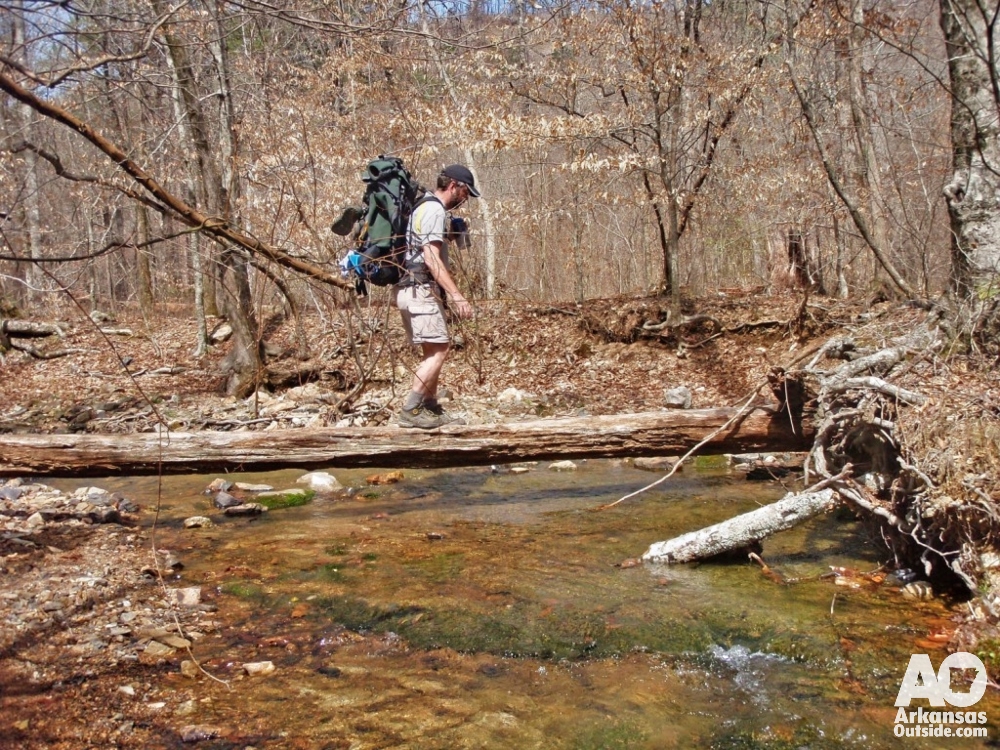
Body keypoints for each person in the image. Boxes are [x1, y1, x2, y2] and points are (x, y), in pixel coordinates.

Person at [394, 164, 480, 429]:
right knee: (440, 349)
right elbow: (430, 257)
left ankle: (430, 406)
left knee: (433, 348)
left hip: (412, 288)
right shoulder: (432, 209)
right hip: (420, 288)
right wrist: (456, 295)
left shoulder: (425, 207)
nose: (465, 199)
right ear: (454, 185)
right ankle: (410, 409)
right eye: (465, 192)